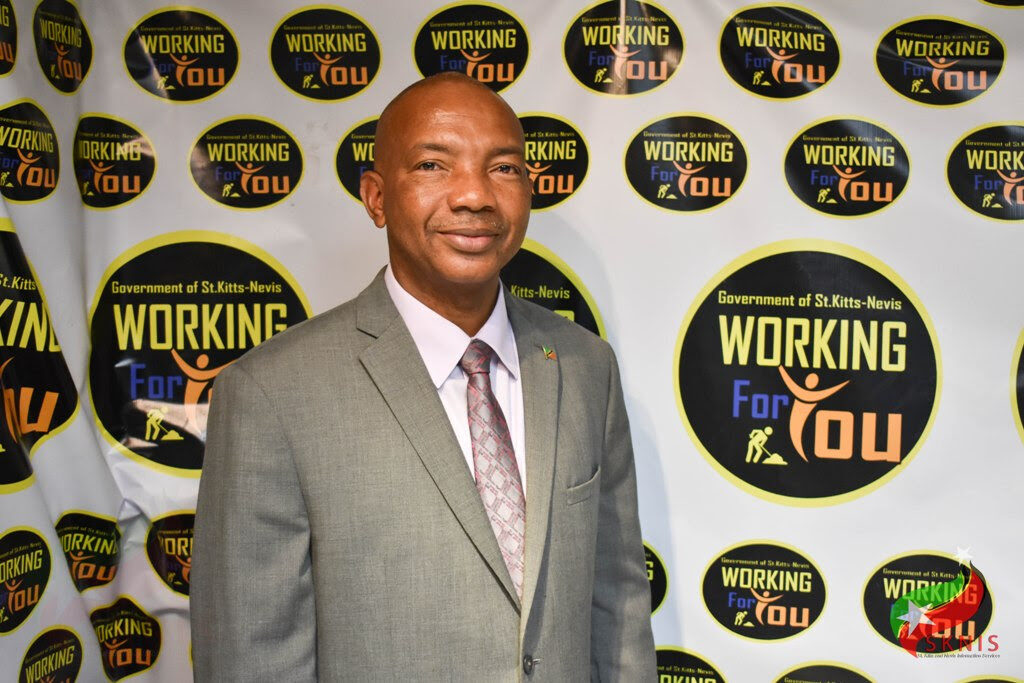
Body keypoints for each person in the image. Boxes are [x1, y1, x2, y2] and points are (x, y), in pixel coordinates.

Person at [191, 72, 656, 681]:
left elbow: (618, 605)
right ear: (376, 197)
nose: (475, 196)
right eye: (434, 165)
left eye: (504, 168)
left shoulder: (585, 365)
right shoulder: (271, 393)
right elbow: (251, 653)